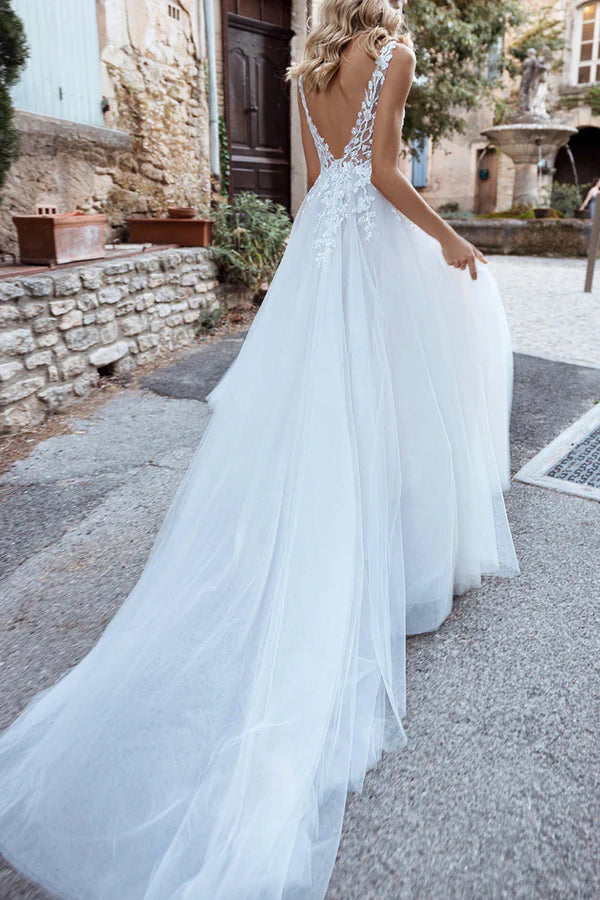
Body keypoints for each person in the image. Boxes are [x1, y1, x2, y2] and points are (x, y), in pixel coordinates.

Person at [0, 1, 519, 897]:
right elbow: (391, 175)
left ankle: (335, 534)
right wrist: (451, 237)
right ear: (384, 11)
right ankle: (391, 560)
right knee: (392, 398)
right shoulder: (393, 51)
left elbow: (326, 181)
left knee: (320, 406)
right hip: (373, 244)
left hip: (323, 240)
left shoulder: (311, 63)